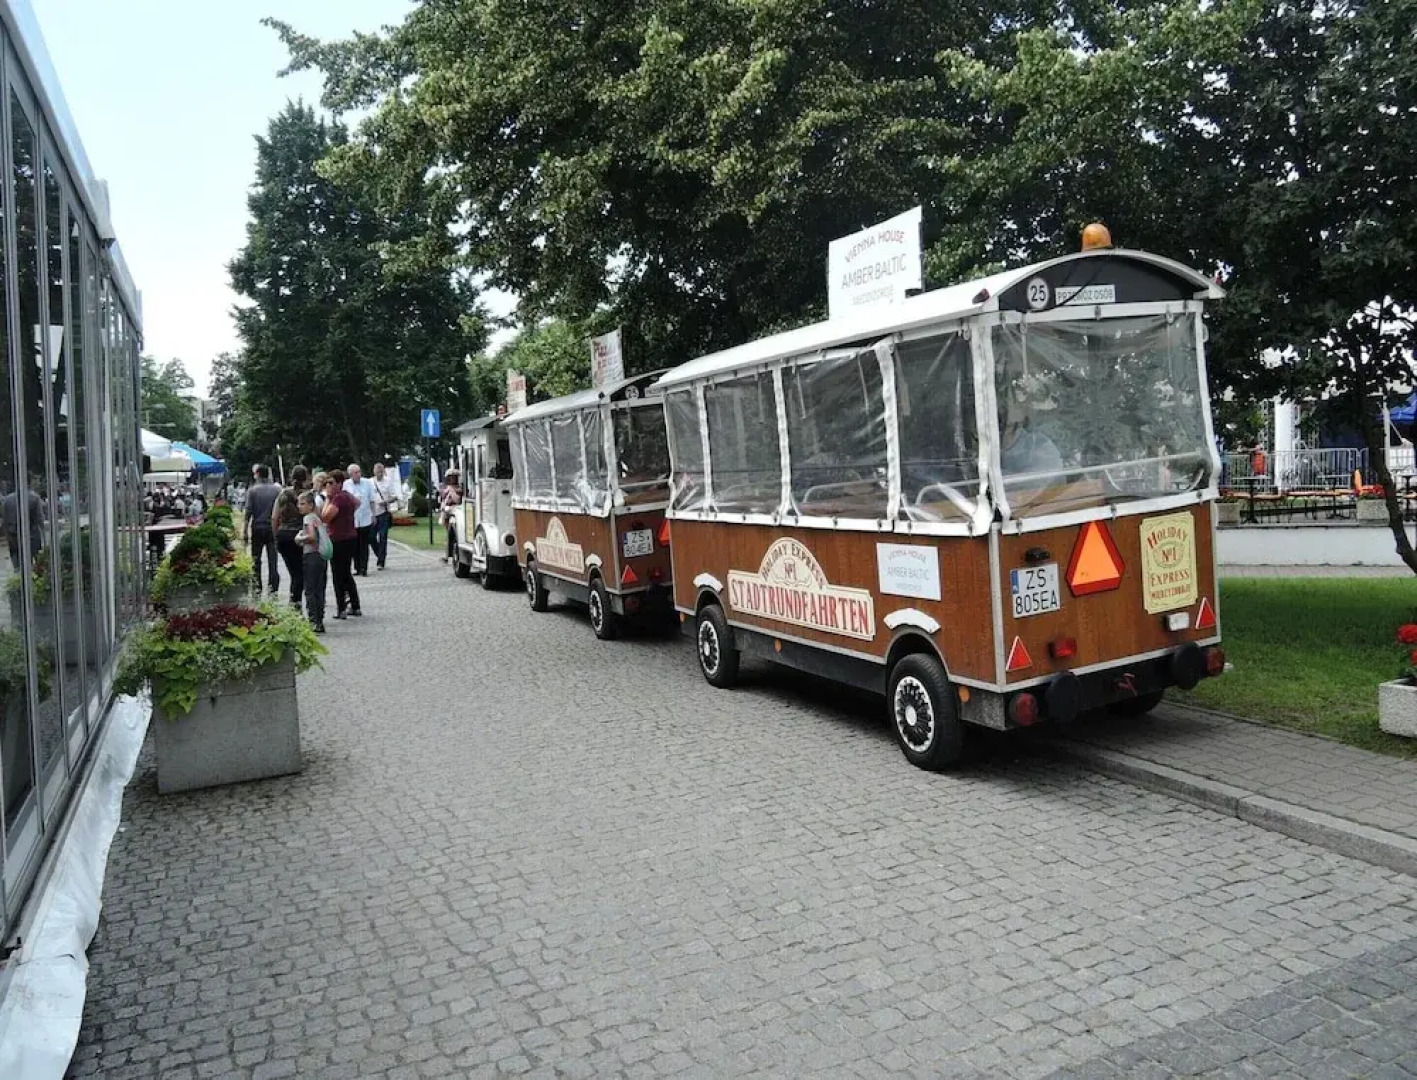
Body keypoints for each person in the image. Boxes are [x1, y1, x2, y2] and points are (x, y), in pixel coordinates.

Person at [322, 469, 361, 619]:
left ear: (339, 483)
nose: (328, 485)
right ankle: (355, 605)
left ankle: (341, 608)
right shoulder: (347, 496)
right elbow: (358, 503)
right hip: (351, 537)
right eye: (327, 483)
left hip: (339, 539)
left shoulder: (337, 499)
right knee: (346, 573)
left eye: (331, 482)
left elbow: (325, 517)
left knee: (338, 575)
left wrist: (327, 499)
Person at [272, 465, 310, 609]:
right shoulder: (307, 496)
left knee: (294, 572)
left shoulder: (283, 494)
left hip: (283, 535)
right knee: (300, 573)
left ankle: (294, 603)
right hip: (300, 535)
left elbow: (274, 517)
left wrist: (276, 536)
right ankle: (295, 603)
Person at [243, 465, 282, 594]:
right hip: (273, 528)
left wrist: (245, 530)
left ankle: (257, 586)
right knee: (273, 559)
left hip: (257, 528)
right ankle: (273, 587)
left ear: (258, 474)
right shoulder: (277, 490)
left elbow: (248, 511)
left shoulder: (252, 491)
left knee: (256, 559)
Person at [297, 490, 328, 634]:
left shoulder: (308, 518)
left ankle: (313, 621)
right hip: (321, 556)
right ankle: (319, 620)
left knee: (310, 590)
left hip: (311, 555)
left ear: (310, 505)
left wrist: (299, 538)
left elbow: (311, 537)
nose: (299, 506)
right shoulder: (317, 517)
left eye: (303, 504)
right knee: (319, 589)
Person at [0, 478, 43, 570]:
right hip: (32, 535)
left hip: (13, 536)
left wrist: (7, 536)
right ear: (29, 483)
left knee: (17, 565)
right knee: (37, 563)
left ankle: (19, 576)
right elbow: (40, 519)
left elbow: (5, 520)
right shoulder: (35, 498)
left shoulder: (8, 500)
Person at [343, 464, 376, 576]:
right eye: (355, 473)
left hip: (365, 517)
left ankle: (363, 567)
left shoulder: (367, 483)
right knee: (354, 545)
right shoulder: (346, 485)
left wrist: (373, 514)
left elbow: (372, 500)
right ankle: (357, 567)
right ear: (350, 474)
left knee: (364, 544)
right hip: (352, 519)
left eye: (359, 472)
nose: (358, 474)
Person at [371, 463, 400, 570]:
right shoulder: (370, 482)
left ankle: (381, 561)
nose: (379, 473)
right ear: (374, 471)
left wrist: (386, 501)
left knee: (383, 536)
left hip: (384, 513)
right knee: (371, 537)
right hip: (373, 513)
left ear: (383, 471)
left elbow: (394, 496)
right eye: (377, 471)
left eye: (381, 471)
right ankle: (380, 553)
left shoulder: (388, 481)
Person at [438, 469, 463, 565]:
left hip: (456, 513)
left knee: (452, 534)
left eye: (454, 477)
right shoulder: (446, 488)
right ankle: (447, 555)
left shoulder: (459, 489)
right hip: (447, 513)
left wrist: (452, 491)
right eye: (450, 477)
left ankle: (449, 555)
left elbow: (457, 500)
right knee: (448, 534)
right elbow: (442, 500)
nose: (452, 479)